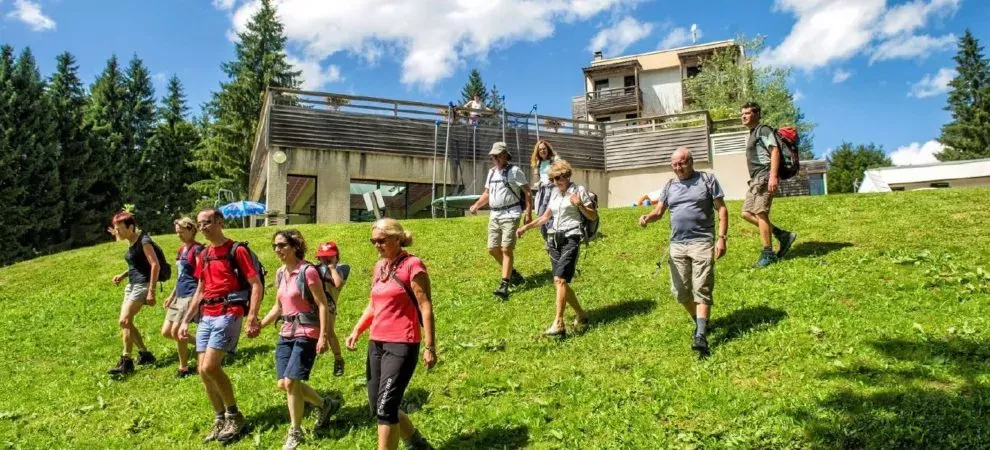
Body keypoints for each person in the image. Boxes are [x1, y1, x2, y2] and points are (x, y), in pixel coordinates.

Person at [346, 218, 436, 450]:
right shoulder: (380, 267)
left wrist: (430, 346)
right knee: (380, 404)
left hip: (402, 343)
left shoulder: (413, 265)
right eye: (373, 241)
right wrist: (357, 329)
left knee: (386, 408)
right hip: (377, 342)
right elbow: (373, 305)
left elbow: (425, 305)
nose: (377, 245)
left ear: (397, 238)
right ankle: (416, 442)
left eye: (381, 240)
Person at [178, 208, 264, 444]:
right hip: (207, 313)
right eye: (200, 223)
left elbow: (255, 284)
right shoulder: (204, 253)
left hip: (229, 311)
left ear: (219, 222)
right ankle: (220, 418)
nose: (203, 227)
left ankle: (234, 415)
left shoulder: (237, 250)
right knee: (202, 371)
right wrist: (186, 320)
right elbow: (200, 289)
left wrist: (252, 316)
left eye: (207, 222)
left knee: (210, 367)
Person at [638, 147, 728, 354]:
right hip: (677, 244)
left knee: (702, 287)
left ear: (691, 162)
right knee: (680, 292)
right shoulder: (669, 185)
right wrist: (647, 218)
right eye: (675, 164)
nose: (678, 168)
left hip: (702, 241)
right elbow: (659, 212)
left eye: (682, 163)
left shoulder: (707, 180)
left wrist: (722, 239)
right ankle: (700, 320)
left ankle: (701, 335)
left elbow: (721, 209)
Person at [260, 230, 341, 449]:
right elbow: (278, 307)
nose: (278, 250)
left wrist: (323, 335)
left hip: (307, 332)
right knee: (282, 384)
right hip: (286, 332)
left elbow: (323, 304)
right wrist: (260, 324)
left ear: (295, 246)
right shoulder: (280, 273)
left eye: (282, 245)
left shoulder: (308, 271)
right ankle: (325, 405)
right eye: (275, 246)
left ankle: (295, 431)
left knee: (291, 382)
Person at [517, 159, 595, 337]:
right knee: (560, 281)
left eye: (558, 178)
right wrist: (525, 228)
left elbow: (592, 216)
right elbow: (545, 217)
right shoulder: (554, 193)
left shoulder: (579, 191)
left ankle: (559, 322)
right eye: (552, 179)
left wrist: (580, 205)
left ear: (567, 175)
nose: (555, 182)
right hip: (554, 239)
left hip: (571, 237)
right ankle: (581, 314)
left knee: (560, 279)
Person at [469, 142, 533, 300]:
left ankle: (504, 285)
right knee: (492, 249)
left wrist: (528, 212)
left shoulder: (515, 171)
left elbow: (528, 192)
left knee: (506, 249)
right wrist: (476, 205)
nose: (495, 158)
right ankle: (513, 273)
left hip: (511, 214)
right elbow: (487, 193)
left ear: (505, 155)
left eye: (498, 155)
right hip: (495, 215)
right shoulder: (491, 173)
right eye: (493, 156)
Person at [740, 102, 797, 268]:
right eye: (742, 113)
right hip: (755, 179)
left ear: (757, 114)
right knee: (746, 213)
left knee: (760, 212)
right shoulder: (752, 133)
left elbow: (775, 151)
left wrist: (773, 176)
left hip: (765, 176)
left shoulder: (763, 129)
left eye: (748, 113)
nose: (743, 116)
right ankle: (783, 235)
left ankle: (768, 253)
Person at [107, 211, 159, 375]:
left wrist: (152, 291)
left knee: (125, 320)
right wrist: (122, 275)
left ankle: (126, 361)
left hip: (142, 285)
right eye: (116, 228)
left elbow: (154, 265)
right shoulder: (131, 241)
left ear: (131, 227)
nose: (117, 232)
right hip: (132, 284)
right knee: (125, 322)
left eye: (120, 228)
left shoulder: (144, 241)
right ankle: (145, 354)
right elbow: (137, 264)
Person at [161, 217, 203, 378]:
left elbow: (201, 275)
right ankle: (203, 344)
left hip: (190, 294)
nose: (179, 235)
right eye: (177, 232)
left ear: (191, 230)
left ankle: (183, 367)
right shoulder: (181, 250)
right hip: (179, 294)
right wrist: (172, 295)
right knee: (166, 332)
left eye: (182, 232)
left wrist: (198, 295)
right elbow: (180, 275)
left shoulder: (197, 249)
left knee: (177, 332)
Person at [314, 241, 348, 376]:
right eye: (323, 257)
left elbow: (338, 284)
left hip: (329, 306)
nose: (326, 259)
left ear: (337, 257)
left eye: (330, 256)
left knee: (329, 332)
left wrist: (332, 268)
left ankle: (338, 359)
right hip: (315, 305)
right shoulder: (315, 269)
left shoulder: (340, 270)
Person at [530, 139, 559, 240]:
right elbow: (539, 178)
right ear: (537, 152)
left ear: (548, 149)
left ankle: (552, 237)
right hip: (542, 191)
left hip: (553, 190)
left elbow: (560, 173)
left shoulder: (555, 160)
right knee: (541, 213)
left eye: (544, 149)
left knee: (551, 213)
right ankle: (546, 237)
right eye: (540, 149)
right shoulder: (538, 163)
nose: (542, 151)